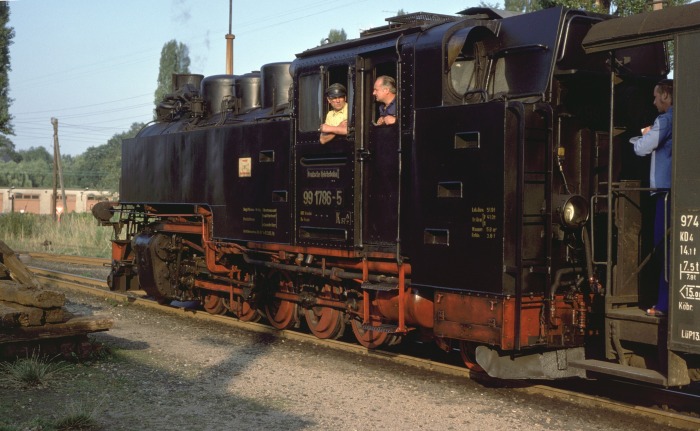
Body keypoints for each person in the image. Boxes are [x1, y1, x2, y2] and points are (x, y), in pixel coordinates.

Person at [630, 78, 673, 317]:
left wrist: (642, 135)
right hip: (674, 193)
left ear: (666, 96)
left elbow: (642, 148)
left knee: (663, 249)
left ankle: (663, 305)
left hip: (665, 195)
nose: (654, 101)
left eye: (657, 96)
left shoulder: (665, 119)